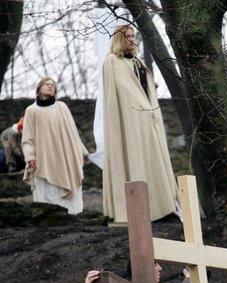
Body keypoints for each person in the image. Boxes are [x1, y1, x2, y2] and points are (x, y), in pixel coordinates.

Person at [102, 25, 179, 223]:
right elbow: (114, 98)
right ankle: (138, 211)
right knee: (133, 160)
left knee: (154, 161)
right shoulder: (111, 62)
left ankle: (162, 207)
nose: (131, 39)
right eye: (127, 36)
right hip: (129, 123)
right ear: (119, 39)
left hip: (148, 121)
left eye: (133, 36)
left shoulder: (139, 62)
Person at [21, 77, 89, 215]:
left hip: (66, 157)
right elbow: (27, 138)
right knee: (46, 189)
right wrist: (30, 156)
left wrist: (83, 151)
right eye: (47, 84)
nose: (50, 86)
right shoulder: (31, 110)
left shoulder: (62, 107)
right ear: (39, 88)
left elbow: (73, 133)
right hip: (44, 158)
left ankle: (73, 215)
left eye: (53, 85)